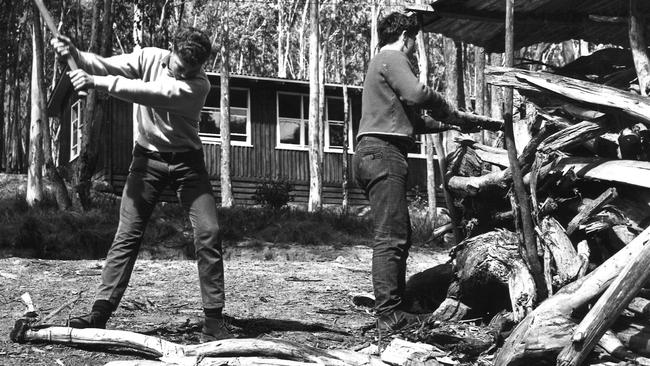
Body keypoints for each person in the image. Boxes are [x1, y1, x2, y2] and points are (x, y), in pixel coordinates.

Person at [50, 27, 232, 340]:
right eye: (179, 66)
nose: (183, 73)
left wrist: (95, 83)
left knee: (209, 231)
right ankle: (100, 312)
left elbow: (146, 93)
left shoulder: (198, 86)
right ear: (171, 49)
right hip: (147, 161)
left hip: (188, 164)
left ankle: (214, 320)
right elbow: (108, 65)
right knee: (127, 233)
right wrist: (77, 55)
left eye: (191, 70)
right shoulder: (150, 57)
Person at [352, 12, 461, 332]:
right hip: (382, 153)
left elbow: (413, 121)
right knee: (391, 236)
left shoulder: (382, 64)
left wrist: (450, 122)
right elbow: (417, 94)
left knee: (399, 233)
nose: (414, 49)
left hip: (380, 151)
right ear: (406, 36)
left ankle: (395, 304)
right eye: (414, 42)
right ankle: (388, 313)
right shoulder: (391, 57)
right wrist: (446, 105)